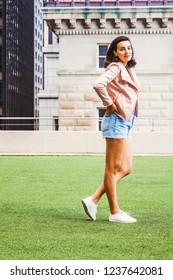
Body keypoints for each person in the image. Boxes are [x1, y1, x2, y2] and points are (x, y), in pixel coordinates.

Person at [82, 36, 140, 223]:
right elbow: (99, 84)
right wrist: (109, 103)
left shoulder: (128, 68)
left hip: (126, 121)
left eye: (128, 48)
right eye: (122, 49)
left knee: (126, 168)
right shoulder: (115, 67)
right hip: (116, 120)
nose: (126, 51)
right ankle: (114, 212)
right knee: (112, 168)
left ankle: (93, 199)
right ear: (115, 52)